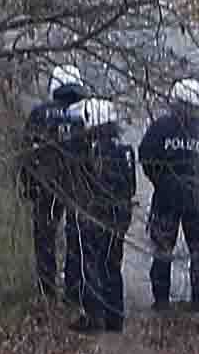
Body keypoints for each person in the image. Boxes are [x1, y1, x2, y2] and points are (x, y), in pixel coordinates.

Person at [139, 75, 199, 310]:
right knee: (198, 248)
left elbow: (146, 157)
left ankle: (161, 301)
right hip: (196, 199)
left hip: (166, 197)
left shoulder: (160, 127)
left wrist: (162, 180)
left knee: (163, 247)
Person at [69, 96, 138, 334]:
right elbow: (131, 187)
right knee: (112, 264)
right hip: (120, 215)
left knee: (91, 264)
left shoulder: (91, 153)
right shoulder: (125, 151)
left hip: (96, 214)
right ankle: (115, 318)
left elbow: (83, 183)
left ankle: (93, 317)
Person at [20, 66, 84, 299]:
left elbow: (26, 152)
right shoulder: (87, 114)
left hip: (45, 185)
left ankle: (47, 292)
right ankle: (74, 291)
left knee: (44, 238)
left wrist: (26, 185)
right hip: (79, 187)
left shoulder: (40, 114)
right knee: (76, 238)